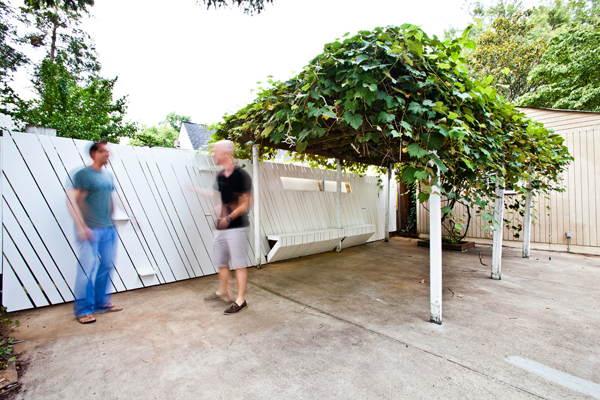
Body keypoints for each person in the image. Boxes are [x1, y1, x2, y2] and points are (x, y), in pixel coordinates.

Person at [67, 141, 122, 324]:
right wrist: (82, 226)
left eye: (108, 151)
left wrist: (113, 221)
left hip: (108, 228)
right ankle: (83, 310)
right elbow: (75, 201)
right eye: (103, 151)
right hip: (91, 230)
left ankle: (101, 303)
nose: (107, 154)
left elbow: (109, 200)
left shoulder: (108, 177)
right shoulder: (83, 174)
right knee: (87, 271)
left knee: (106, 266)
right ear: (93, 154)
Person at [198, 140, 252, 314]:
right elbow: (221, 198)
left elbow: (245, 204)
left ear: (226, 153)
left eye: (216, 151)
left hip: (237, 227)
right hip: (221, 227)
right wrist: (216, 209)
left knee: (239, 264)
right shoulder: (220, 176)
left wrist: (229, 217)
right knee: (221, 261)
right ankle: (223, 291)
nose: (213, 154)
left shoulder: (242, 176)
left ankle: (240, 300)